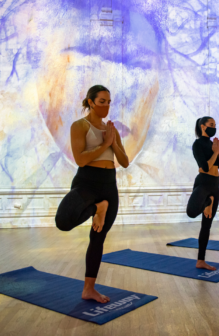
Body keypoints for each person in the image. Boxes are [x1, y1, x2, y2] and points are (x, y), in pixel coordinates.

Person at [55, 85, 129, 303]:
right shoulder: (79, 126)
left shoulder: (111, 129)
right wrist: (104, 143)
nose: (106, 105)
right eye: (102, 101)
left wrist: (113, 142)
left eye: (109, 102)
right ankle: (98, 207)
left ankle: (89, 289)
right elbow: (80, 159)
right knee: (63, 221)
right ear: (90, 102)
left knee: (98, 238)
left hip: (109, 185)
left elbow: (124, 162)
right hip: (86, 182)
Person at [186, 116, 219, 270]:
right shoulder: (198, 144)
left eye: (215, 125)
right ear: (203, 126)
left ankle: (201, 260)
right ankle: (207, 202)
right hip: (203, 183)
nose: (213, 127)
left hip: (215, 185)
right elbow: (203, 167)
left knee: (206, 225)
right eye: (211, 124)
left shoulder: (213, 144)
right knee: (191, 212)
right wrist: (215, 153)